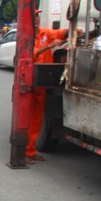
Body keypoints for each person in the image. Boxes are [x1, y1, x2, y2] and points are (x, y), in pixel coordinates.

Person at [26, 10, 71, 164]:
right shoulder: (26, 36)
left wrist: (69, 31)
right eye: (34, 17)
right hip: (30, 81)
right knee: (29, 118)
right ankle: (25, 150)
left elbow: (57, 33)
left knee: (38, 117)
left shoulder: (44, 32)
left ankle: (30, 151)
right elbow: (31, 54)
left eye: (38, 16)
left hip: (43, 80)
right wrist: (49, 46)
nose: (37, 19)